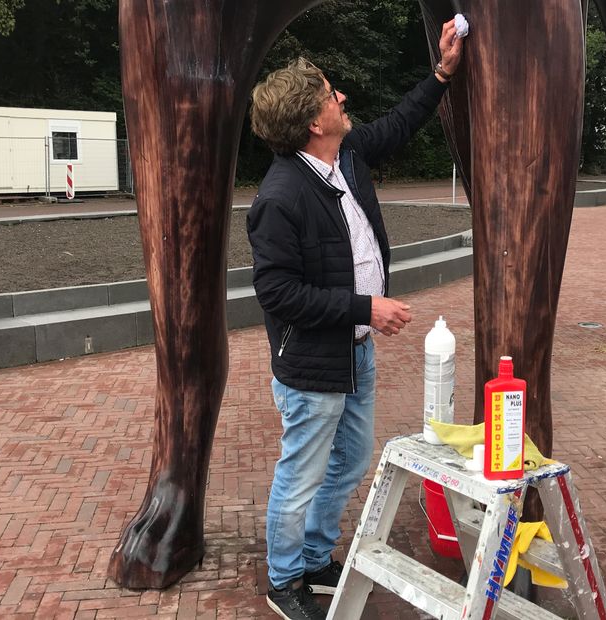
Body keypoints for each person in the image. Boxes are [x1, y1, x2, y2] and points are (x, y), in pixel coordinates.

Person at [246, 19, 465, 620]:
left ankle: (316, 559)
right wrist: (364, 307)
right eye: (331, 94)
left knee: (350, 461)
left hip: (355, 354)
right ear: (315, 122)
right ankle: (285, 581)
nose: (343, 98)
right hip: (313, 365)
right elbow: (277, 293)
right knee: (301, 474)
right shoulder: (280, 197)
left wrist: (443, 71)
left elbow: (401, 121)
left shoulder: (347, 155)